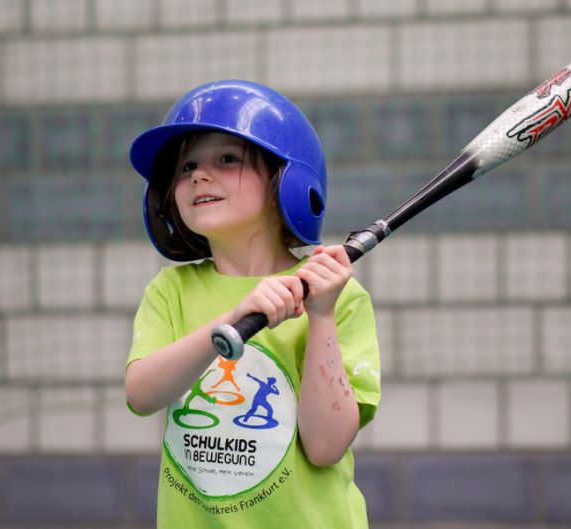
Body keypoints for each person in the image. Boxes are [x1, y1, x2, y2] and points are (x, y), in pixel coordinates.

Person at [124, 79, 381, 528]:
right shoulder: (171, 291)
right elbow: (142, 395)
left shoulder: (335, 295)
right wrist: (232, 319)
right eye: (186, 167)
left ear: (288, 179)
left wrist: (320, 315)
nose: (199, 175)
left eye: (227, 159)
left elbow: (324, 447)